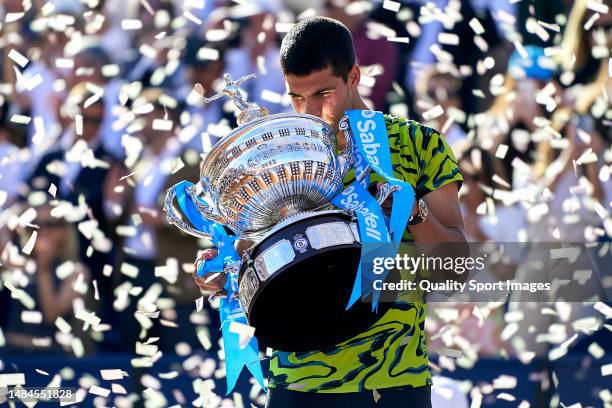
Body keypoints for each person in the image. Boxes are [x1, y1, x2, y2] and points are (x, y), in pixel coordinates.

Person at [193, 17, 466, 408]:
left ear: (353, 76)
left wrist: (414, 213)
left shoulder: (418, 144)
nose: (310, 109)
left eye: (323, 93)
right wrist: (222, 274)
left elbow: (455, 272)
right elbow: (249, 256)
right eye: (296, 97)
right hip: (298, 383)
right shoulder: (278, 152)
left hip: (393, 382)